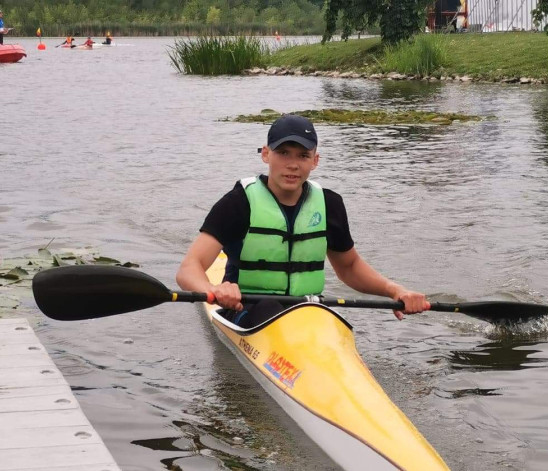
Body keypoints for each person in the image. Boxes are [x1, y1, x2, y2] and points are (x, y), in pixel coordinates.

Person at [176, 114, 430, 328]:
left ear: (315, 161)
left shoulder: (329, 204)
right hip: (247, 311)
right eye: (283, 153)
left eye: (303, 156)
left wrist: (396, 291)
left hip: (307, 310)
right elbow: (189, 269)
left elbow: (350, 267)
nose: (293, 165)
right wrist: (213, 290)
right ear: (266, 154)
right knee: (269, 308)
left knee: (330, 320)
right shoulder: (238, 203)